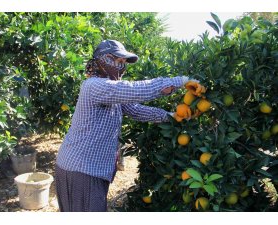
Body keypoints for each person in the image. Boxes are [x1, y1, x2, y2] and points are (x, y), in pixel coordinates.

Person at [55, 39, 199, 212]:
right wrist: (181, 81)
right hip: (80, 169)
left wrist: (171, 117)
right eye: (119, 61)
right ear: (104, 60)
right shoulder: (94, 86)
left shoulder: (109, 90)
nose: (122, 67)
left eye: (124, 63)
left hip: (90, 169)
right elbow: (134, 90)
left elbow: (136, 110)